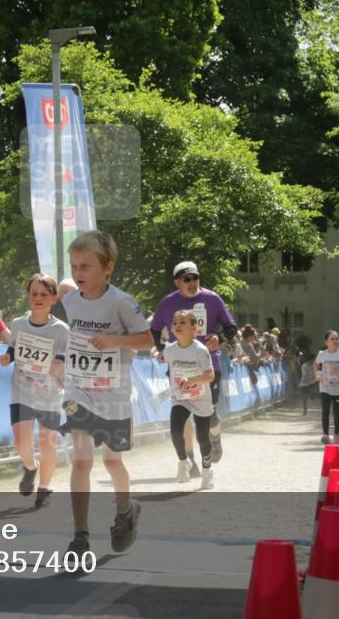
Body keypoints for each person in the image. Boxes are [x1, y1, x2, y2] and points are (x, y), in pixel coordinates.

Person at [60, 230, 153, 558]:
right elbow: (65, 339)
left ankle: (126, 511)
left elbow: (147, 340)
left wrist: (116, 341)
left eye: (86, 266)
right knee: (81, 457)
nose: (78, 273)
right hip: (79, 389)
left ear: (108, 268)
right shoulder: (69, 302)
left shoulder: (121, 302)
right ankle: (80, 535)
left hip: (113, 394)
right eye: (74, 266)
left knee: (112, 461)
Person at [150, 260, 237, 464]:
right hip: (179, 367)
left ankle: (215, 437)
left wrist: (221, 339)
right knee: (183, 412)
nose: (192, 282)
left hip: (208, 366)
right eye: (186, 279)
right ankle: (189, 459)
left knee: (210, 415)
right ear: (177, 282)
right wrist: (162, 349)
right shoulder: (167, 303)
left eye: (195, 278)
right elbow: (154, 329)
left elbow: (231, 326)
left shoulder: (212, 299)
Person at [0, 273, 68, 507]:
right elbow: (13, 347)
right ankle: (30, 468)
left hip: (49, 394)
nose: (38, 298)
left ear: (54, 299)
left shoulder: (61, 330)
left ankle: (45, 488)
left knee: (48, 441)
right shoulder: (18, 324)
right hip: (22, 391)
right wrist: (7, 357)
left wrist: (55, 365)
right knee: (21, 442)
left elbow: (62, 360)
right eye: (34, 294)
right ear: (28, 297)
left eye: (43, 294)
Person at [164, 310, 216, 489]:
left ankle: (207, 470)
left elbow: (210, 376)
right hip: (181, 398)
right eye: (175, 322)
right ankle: (183, 462)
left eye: (183, 322)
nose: (177, 325)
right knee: (175, 431)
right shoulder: (169, 350)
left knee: (202, 438)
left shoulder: (200, 350)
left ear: (194, 328)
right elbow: (169, 370)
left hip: (200, 398)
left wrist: (191, 381)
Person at [316, 330, 339, 445]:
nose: (335, 341)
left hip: (338, 388)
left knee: (336, 412)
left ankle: (336, 433)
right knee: (325, 411)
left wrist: (338, 368)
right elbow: (316, 364)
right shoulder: (322, 354)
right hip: (325, 387)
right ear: (326, 342)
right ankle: (325, 435)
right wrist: (318, 374)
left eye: (337, 339)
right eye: (332, 339)